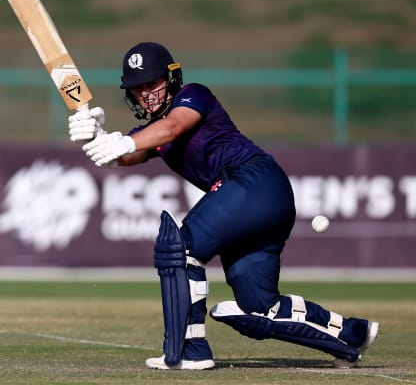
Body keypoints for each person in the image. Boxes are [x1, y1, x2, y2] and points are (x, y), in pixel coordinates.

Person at [68, 42, 379, 370]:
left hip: (254, 183)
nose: (146, 94)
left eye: (152, 84)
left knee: (181, 248)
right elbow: (128, 154)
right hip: (259, 204)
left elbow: (172, 127)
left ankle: (190, 349)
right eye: (138, 88)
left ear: (172, 79)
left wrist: (122, 141)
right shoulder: (150, 133)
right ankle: (351, 333)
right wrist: (97, 137)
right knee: (260, 308)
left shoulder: (193, 96)